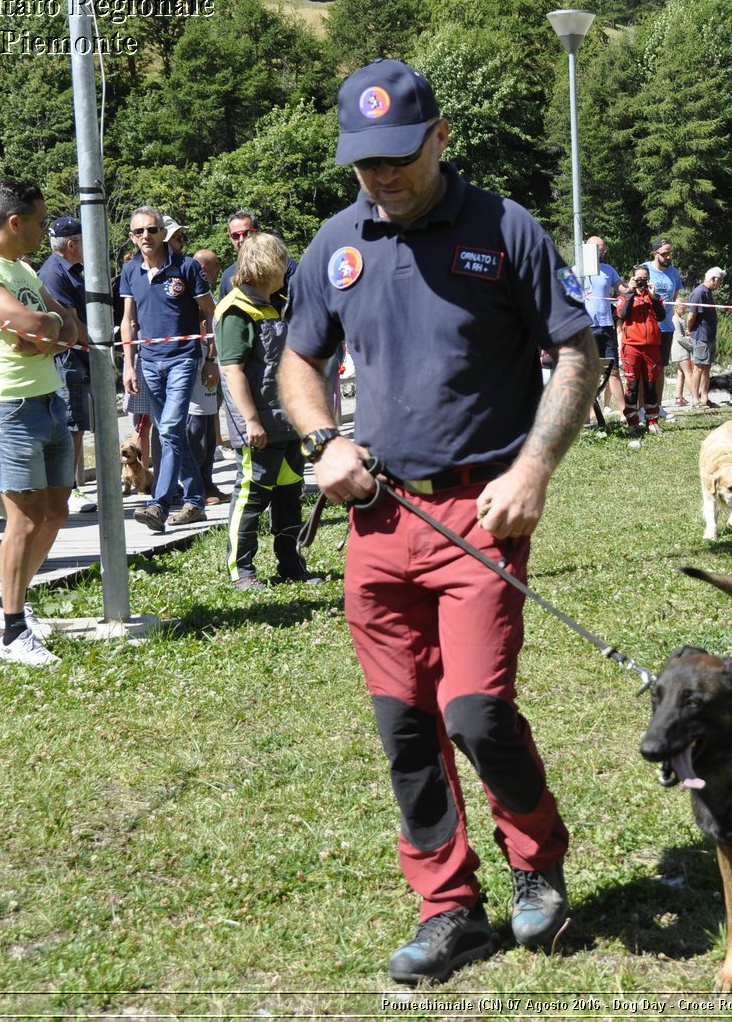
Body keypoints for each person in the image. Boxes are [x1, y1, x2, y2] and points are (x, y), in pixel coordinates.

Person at [277, 59, 600, 984]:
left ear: (440, 137)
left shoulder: (504, 230)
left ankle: (536, 860)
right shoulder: (334, 245)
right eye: (364, 163)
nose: (382, 177)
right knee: (405, 726)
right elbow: (300, 362)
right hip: (377, 516)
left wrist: (534, 466)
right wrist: (322, 437)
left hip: (480, 514)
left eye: (398, 157)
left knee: (475, 710)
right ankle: (449, 907)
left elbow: (578, 350)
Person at [0, 180, 84, 665]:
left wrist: (47, 331)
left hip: (50, 399)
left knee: (55, 512)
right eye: (39, 221)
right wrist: (45, 329)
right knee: (24, 518)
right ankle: (12, 634)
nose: (44, 231)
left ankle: (9, 608)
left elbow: (66, 323)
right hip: (9, 406)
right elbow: (34, 325)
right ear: (15, 223)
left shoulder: (22, 268)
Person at [215, 232, 316, 589]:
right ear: (266, 267)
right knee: (252, 496)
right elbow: (232, 370)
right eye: (282, 264)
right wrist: (251, 420)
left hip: (287, 422)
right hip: (258, 426)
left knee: (290, 495)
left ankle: (291, 564)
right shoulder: (236, 311)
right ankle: (241, 571)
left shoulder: (278, 302)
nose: (287, 271)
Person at [119, 204, 218, 532]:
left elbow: (209, 312)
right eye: (139, 231)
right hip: (148, 363)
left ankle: (158, 504)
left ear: (162, 232)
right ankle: (195, 500)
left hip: (182, 359)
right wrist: (128, 366)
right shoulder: (131, 272)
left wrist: (211, 357)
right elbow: (128, 321)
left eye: (151, 229)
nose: (146, 236)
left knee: (170, 428)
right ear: (132, 237)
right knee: (172, 434)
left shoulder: (187, 268)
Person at [35, 214, 96, 514]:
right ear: (71, 244)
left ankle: (68, 487)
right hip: (66, 357)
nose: (86, 247)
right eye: (83, 241)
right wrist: (97, 345)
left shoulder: (73, 269)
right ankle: (67, 489)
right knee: (70, 423)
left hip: (77, 355)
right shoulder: (53, 273)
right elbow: (69, 320)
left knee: (76, 423)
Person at [189, 248, 229, 505]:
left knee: (207, 428)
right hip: (200, 364)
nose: (218, 272)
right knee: (196, 429)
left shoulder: (205, 291)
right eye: (215, 267)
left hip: (209, 363)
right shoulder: (195, 293)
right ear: (205, 268)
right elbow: (205, 326)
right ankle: (198, 487)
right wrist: (210, 360)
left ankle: (208, 483)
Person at [615, 263, 665, 432]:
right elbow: (622, 315)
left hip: (652, 347)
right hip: (632, 347)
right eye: (639, 279)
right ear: (633, 279)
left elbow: (661, 316)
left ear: (649, 279)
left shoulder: (654, 298)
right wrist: (630, 292)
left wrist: (653, 296)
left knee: (651, 385)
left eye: (645, 278)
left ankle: (652, 420)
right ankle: (632, 421)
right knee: (633, 385)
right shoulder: (624, 296)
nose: (642, 282)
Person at [581, 235, 624, 417]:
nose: (603, 252)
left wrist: (635, 287)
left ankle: (625, 412)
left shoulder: (608, 270)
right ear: (589, 250)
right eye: (600, 249)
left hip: (606, 326)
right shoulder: (574, 270)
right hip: (585, 329)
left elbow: (622, 289)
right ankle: (591, 414)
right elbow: (559, 291)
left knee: (613, 370)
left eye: (604, 249)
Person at [643, 238, 684, 406]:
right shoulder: (645, 269)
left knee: (660, 369)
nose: (668, 257)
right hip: (647, 327)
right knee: (645, 368)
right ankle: (642, 406)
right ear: (655, 254)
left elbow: (674, 295)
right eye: (665, 253)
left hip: (666, 326)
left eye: (670, 253)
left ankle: (657, 406)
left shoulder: (673, 272)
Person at [685, 267, 725, 408]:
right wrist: (689, 330)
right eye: (719, 280)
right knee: (699, 367)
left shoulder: (708, 292)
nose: (720, 284)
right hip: (701, 336)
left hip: (709, 336)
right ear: (713, 278)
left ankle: (704, 398)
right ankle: (695, 399)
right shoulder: (699, 292)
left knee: (707, 367)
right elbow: (691, 315)